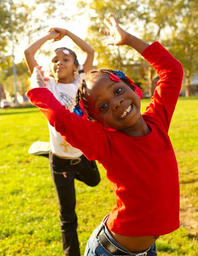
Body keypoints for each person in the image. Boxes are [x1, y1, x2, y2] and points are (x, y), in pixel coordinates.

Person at [27, 13, 183, 256]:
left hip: (146, 250)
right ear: (98, 122)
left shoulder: (158, 120)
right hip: (110, 251)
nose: (117, 103)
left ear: (132, 86)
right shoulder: (106, 142)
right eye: (103, 107)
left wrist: (129, 39)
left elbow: (172, 70)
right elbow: (60, 117)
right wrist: (37, 86)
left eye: (118, 90)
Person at [24, 28, 101, 256]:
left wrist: (67, 34)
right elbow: (29, 53)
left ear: (75, 66)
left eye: (65, 59)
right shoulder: (48, 85)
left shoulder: (82, 81)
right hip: (60, 161)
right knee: (67, 215)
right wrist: (49, 37)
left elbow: (90, 51)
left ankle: (51, 151)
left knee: (95, 180)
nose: (59, 63)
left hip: (83, 155)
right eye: (55, 60)